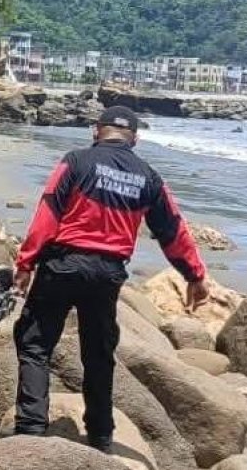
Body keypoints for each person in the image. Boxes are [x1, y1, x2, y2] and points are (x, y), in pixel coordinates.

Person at [12, 105, 210, 452]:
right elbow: (172, 229)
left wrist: (26, 263)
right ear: (135, 138)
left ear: (95, 131)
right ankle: (101, 434)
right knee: (99, 353)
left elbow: (48, 212)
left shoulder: (75, 162)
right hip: (107, 275)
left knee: (35, 343)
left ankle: (31, 427)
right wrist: (194, 274)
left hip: (63, 264)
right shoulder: (148, 177)